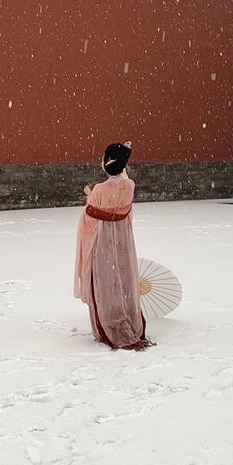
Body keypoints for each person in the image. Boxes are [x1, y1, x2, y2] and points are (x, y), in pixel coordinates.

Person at [73, 141, 155, 351]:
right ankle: (127, 315)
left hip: (102, 240)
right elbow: (119, 203)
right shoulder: (130, 185)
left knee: (105, 279)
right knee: (122, 275)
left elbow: (90, 216)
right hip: (122, 239)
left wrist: (91, 195)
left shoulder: (100, 189)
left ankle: (109, 322)